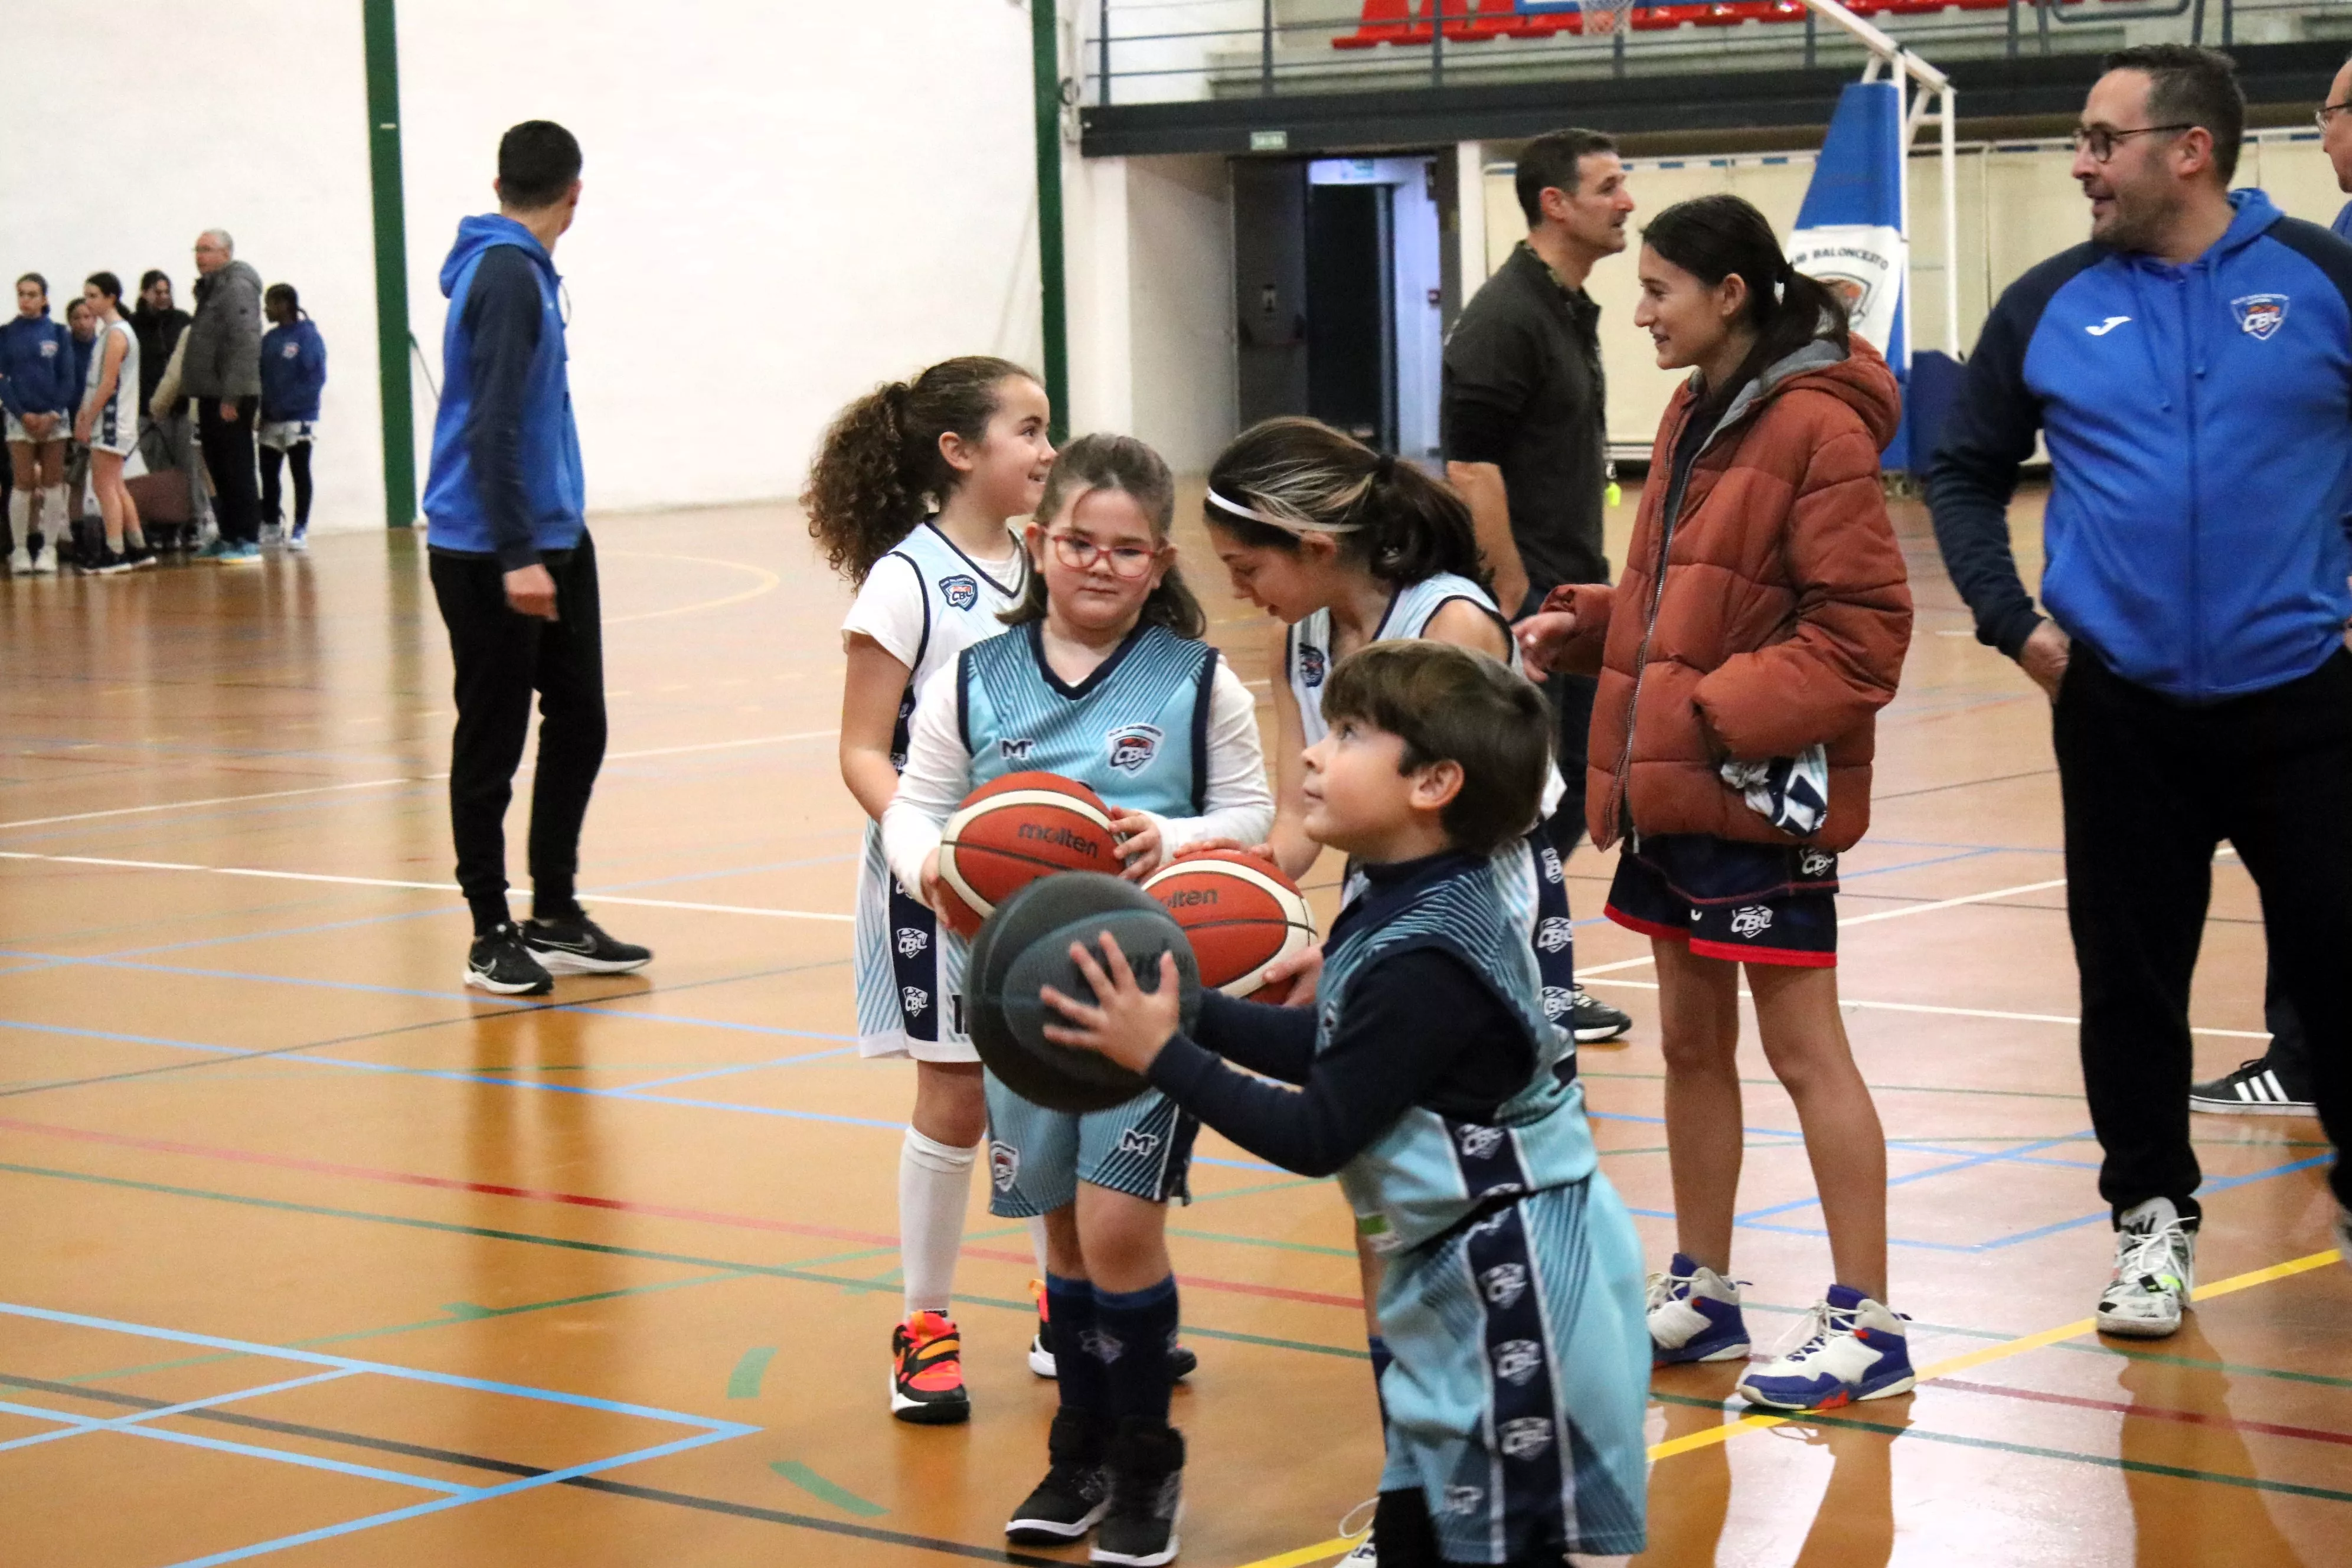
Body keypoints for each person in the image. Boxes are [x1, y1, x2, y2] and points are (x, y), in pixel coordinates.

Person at [1043, 639, 1649, 1568]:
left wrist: (1162, 1051)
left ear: (1434, 784)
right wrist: (1195, 1012)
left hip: (1524, 1284)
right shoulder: (1402, 896)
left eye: (1354, 734)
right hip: (1459, 1270)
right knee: (1415, 1531)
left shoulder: (1428, 956)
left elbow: (1321, 1129)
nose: (1317, 753)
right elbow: (1343, 1051)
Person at [1929, 45, 2352, 1326]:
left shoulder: (2325, 282)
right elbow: (1961, 468)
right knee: (2129, 982)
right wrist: (2017, 626)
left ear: (2190, 150)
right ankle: (2151, 1222)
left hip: (2308, 705)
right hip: (2120, 712)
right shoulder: (2051, 301)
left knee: (2345, 974)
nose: (2079, 163)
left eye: (2100, 139)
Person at [1520, 193, 1914, 1408]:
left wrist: (1709, 711)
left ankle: (1869, 1319)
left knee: (1805, 1051)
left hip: (1756, 787)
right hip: (1677, 793)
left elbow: (1865, 637)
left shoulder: (1817, 425)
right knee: (1692, 1041)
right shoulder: (1698, 407)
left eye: (1657, 291)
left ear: (1728, 294)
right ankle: (1706, 1289)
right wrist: (1593, 629)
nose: (1638, 312)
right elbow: (1690, 588)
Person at [883, 433, 1273, 1565]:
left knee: (1115, 1225)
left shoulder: (1200, 682)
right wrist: (937, 871)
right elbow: (914, 805)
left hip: (1149, 998)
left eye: (1126, 550)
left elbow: (1250, 814)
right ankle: (1082, 1447)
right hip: (1015, 994)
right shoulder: (972, 676)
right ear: (1038, 543)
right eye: (1076, 544)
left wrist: (1183, 832)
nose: (1098, 567)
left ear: (1158, 560)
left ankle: (1145, 1460)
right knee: (1060, 1230)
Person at [1200, 414, 1582, 1566]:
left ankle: (1522, 1472)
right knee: (1388, 1228)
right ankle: (1419, 1496)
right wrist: (1188, 884)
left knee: (1476, 1218)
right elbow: (1297, 830)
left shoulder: (1452, 618)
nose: (1244, 589)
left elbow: (1499, 805)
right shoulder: (1305, 641)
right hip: (1392, 922)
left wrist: (1393, 950)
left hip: (1478, 925)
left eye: (1248, 565)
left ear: (1314, 538)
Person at [805, 354, 1050, 1424]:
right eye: (1027, 430)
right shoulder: (905, 580)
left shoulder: (1049, 562)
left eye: (1048, 431)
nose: (1047, 450)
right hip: (936, 878)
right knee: (956, 1098)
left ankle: (1069, 1299)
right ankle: (924, 1324)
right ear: (958, 452)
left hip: (1045, 875)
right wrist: (927, 854)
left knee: (1049, 1090)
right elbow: (862, 750)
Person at [422, 119, 651, 995]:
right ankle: (490, 931)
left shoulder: (523, 270)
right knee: (492, 737)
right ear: (575, 192)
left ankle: (554, 912)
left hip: (553, 535)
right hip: (492, 548)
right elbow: (493, 425)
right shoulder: (511, 275)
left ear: (501, 183)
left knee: (580, 719)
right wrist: (518, 554)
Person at [1442, 126, 1637, 1047]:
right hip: (1537, 606)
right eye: (1607, 187)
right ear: (1554, 204)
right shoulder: (1505, 318)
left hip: (1579, 592)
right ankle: (1511, 976)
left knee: (1582, 790)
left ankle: (1508, 966)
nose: (1626, 202)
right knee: (1540, 797)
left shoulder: (1568, 307)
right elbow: (1471, 465)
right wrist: (1514, 591)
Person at [184, 228, 264, 563]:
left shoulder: (237, 287)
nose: (200, 256)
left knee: (237, 465)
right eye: (197, 249)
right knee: (218, 466)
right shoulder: (213, 288)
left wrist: (232, 396)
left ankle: (248, 537)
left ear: (226, 253)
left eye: (207, 249)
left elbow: (245, 340)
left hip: (231, 394)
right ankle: (229, 533)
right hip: (210, 392)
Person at [73, 273, 151, 574]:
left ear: (111, 298)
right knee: (116, 486)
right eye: (86, 295)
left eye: (93, 296)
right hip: (114, 420)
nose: (88, 302)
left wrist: (87, 419)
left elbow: (108, 384)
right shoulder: (111, 333)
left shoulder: (117, 334)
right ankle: (139, 546)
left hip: (111, 421)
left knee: (103, 486)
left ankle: (115, 551)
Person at [130, 269, 211, 551]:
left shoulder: (183, 322)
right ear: (144, 293)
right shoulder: (133, 327)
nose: (163, 297)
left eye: (167, 291)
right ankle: (167, 527)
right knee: (161, 471)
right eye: (157, 292)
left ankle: (194, 524)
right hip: (148, 411)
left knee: (190, 468)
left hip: (183, 409)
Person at [2, 273, 76, 574]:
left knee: (53, 482)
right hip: (20, 417)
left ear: (45, 298)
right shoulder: (6, 334)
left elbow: (68, 378)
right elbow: (3, 380)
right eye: (21, 293)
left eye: (32, 294)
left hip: (54, 418)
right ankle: (20, 549)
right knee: (22, 483)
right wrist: (23, 414)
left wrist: (53, 414)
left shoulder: (59, 333)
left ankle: (49, 549)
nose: (26, 300)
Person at [258, 283, 325, 551]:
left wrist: (290, 405)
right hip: (270, 419)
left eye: (271, 303)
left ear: (285, 304)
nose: (266, 309)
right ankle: (272, 524)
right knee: (268, 473)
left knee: (299, 472)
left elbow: (315, 378)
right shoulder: (269, 340)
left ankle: (300, 527)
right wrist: (263, 410)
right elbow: (260, 378)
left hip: (299, 417)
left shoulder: (308, 337)